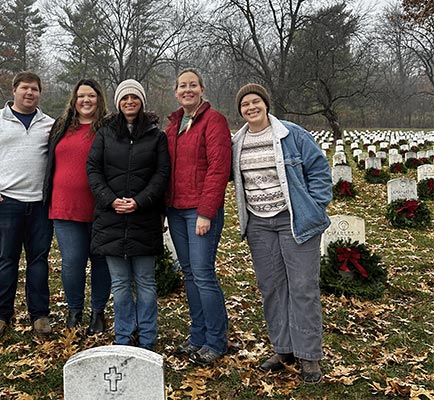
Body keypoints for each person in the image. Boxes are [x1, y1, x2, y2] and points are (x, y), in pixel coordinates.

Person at [232, 83, 332, 383]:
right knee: (272, 287)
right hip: (259, 224)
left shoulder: (291, 134)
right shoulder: (237, 141)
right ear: (240, 110)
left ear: (266, 104)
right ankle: (284, 348)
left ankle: (309, 356)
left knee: (303, 288)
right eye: (245, 104)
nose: (251, 108)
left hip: (294, 221)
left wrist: (314, 205)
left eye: (256, 102)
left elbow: (319, 170)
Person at [86, 79, 170, 351]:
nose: (130, 102)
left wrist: (140, 201)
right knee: (120, 284)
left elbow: (161, 174)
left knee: (145, 282)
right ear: (118, 103)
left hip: (143, 218)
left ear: (142, 101)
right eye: (125, 98)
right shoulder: (106, 133)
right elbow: (93, 170)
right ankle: (123, 335)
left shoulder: (156, 136)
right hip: (111, 219)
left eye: (135, 97)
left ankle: (147, 338)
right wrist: (111, 201)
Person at [0, 71, 55, 340]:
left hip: (40, 205)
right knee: (7, 259)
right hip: (7, 202)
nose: (29, 93)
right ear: (14, 91)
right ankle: (1, 314)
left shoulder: (49, 124)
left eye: (34, 89)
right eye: (24, 88)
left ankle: (40, 315)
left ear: (39, 93)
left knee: (39, 260)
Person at [165, 68, 231, 365]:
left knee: (203, 274)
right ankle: (197, 335)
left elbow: (218, 169)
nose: (187, 90)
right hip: (176, 211)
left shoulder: (214, 121)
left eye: (193, 85)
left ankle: (216, 340)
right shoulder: (174, 124)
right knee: (189, 273)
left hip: (200, 211)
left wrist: (206, 212)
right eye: (182, 86)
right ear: (176, 92)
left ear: (202, 89)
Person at [42, 78, 111, 334]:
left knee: (101, 261)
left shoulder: (108, 127)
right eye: (81, 96)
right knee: (72, 262)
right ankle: (74, 310)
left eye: (91, 96)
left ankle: (98, 311)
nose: (86, 100)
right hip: (64, 207)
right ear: (74, 99)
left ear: (99, 99)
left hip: (101, 208)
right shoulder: (60, 127)